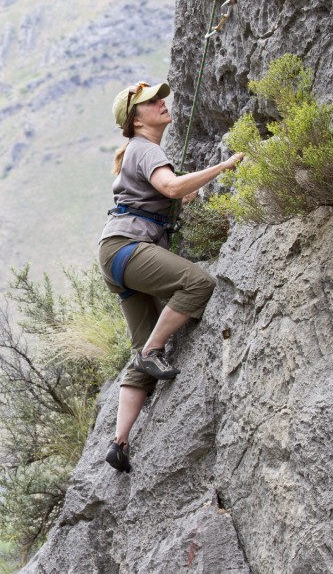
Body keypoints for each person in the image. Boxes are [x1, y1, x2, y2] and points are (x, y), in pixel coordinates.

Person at [99, 80, 243, 473]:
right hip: (129, 249)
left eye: (161, 98)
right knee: (198, 283)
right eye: (151, 102)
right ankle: (152, 353)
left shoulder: (137, 151)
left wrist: (180, 192)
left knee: (140, 345)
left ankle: (119, 442)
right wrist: (225, 166)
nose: (162, 103)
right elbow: (171, 186)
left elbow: (170, 191)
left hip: (114, 255)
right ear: (136, 118)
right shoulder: (146, 149)